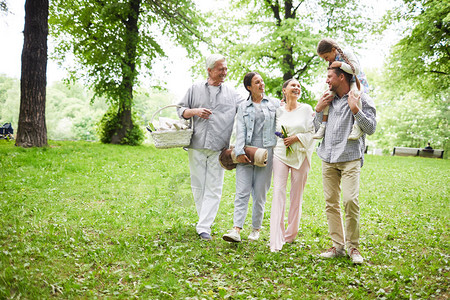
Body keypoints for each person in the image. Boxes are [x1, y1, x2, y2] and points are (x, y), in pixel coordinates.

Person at [177, 54, 244, 241]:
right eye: (220, 69)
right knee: (198, 185)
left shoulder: (232, 93)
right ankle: (203, 223)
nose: (224, 72)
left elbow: (248, 106)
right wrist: (195, 111)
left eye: (225, 69)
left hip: (219, 147)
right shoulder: (194, 89)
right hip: (196, 144)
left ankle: (203, 226)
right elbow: (180, 110)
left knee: (214, 187)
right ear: (209, 70)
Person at [314, 66, 376, 264]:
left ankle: (353, 247)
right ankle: (338, 246)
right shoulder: (327, 99)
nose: (327, 81)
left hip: (350, 157)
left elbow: (371, 128)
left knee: (350, 201)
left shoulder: (361, 98)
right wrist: (317, 109)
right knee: (331, 203)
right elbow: (316, 128)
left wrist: (356, 109)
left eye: (329, 77)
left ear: (342, 77)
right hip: (328, 158)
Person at [222, 72, 280, 243]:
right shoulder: (243, 107)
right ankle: (236, 229)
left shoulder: (274, 104)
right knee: (242, 191)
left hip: (266, 151)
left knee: (260, 193)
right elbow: (240, 131)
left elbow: (284, 121)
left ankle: (256, 229)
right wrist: (239, 152)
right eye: (257, 82)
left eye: (262, 81)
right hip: (246, 151)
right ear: (249, 87)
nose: (261, 84)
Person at [269, 78, 315, 252]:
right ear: (284, 90)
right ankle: (276, 238)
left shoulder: (306, 109)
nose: (296, 88)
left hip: (300, 155)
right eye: (293, 85)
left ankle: (290, 234)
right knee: (278, 192)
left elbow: (313, 133)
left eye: (298, 86)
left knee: (296, 195)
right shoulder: (278, 111)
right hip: (280, 153)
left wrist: (296, 138)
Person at [313, 38, 370, 141]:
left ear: (333, 50)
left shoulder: (346, 53)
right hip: (343, 82)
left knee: (355, 95)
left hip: (354, 80)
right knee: (327, 96)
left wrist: (340, 64)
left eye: (326, 56)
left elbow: (355, 70)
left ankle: (357, 126)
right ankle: (323, 126)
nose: (326, 60)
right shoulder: (332, 60)